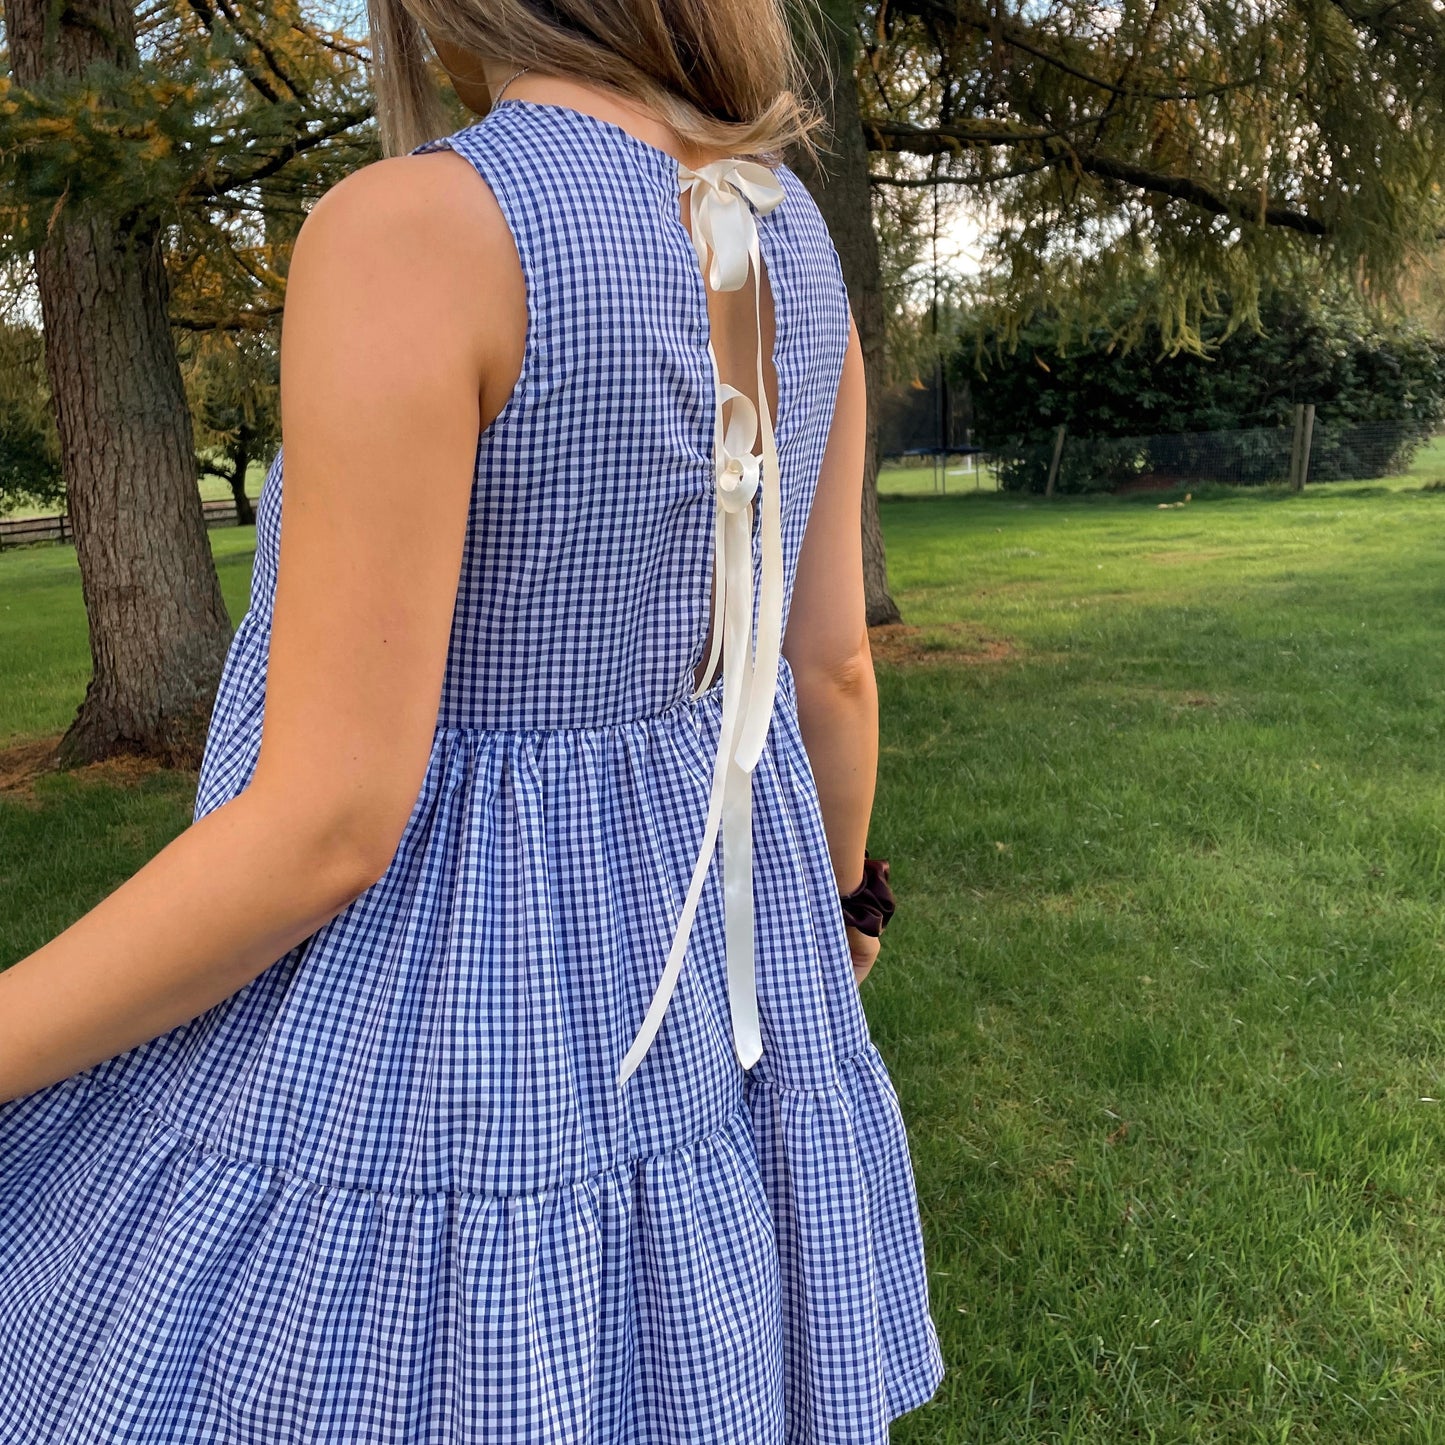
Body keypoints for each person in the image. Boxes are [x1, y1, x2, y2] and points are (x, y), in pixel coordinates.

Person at [0, 0, 946, 1436]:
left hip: (431, 1006)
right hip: (693, 965)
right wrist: (845, 904)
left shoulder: (421, 231)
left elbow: (329, 822)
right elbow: (831, 671)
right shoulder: (792, 245)